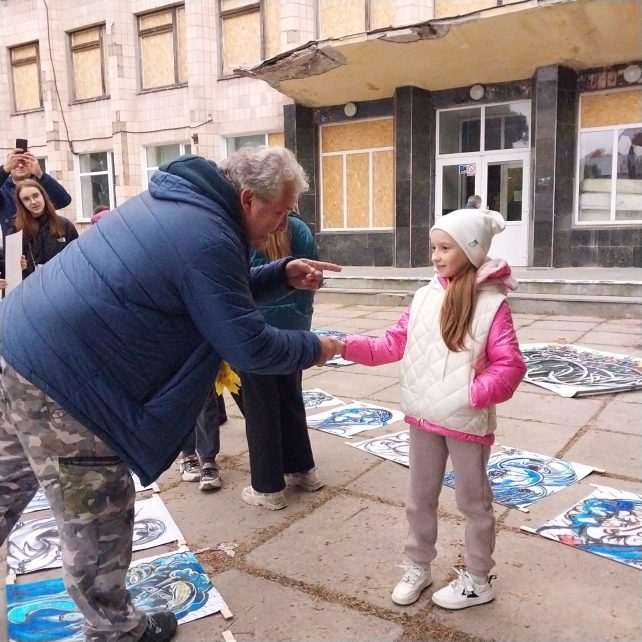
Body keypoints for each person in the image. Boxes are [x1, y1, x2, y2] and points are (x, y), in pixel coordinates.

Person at [0, 146, 343, 642]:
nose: (283, 222)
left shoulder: (184, 206)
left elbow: (204, 290)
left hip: (17, 347)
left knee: (7, 480)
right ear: (248, 199)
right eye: (283, 210)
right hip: (66, 383)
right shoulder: (210, 236)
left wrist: (277, 273)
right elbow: (247, 344)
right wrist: (321, 346)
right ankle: (116, 630)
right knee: (96, 511)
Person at [337, 208, 526, 610]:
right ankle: (418, 565)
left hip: (465, 422)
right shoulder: (424, 298)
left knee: (474, 503)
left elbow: (510, 366)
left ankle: (478, 578)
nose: (436, 256)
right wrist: (340, 345)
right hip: (423, 418)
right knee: (418, 498)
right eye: (433, 248)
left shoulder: (492, 305)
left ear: (471, 251)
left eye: (445, 248)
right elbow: (391, 344)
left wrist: (470, 395)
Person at [240, 212, 324, 510]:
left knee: (261, 406)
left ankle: (268, 487)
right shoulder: (299, 227)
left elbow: (235, 283)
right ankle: (303, 470)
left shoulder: (246, 226)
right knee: (290, 397)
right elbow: (315, 277)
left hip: (256, 330)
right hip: (295, 327)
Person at [11, 179, 78, 276]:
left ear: (43, 196)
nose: (33, 202)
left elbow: (76, 258)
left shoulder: (64, 225)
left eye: (36, 195)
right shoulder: (15, 229)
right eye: (26, 199)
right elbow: (9, 266)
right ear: (21, 204)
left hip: (61, 282)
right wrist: (21, 267)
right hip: (31, 284)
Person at [0, 147, 72, 237]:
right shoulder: (3, 189)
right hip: (16, 243)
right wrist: (4, 170)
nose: (20, 165)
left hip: (47, 241)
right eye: (16, 162)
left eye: (24, 162)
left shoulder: (41, 187)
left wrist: (40, 174)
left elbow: (64, 200)